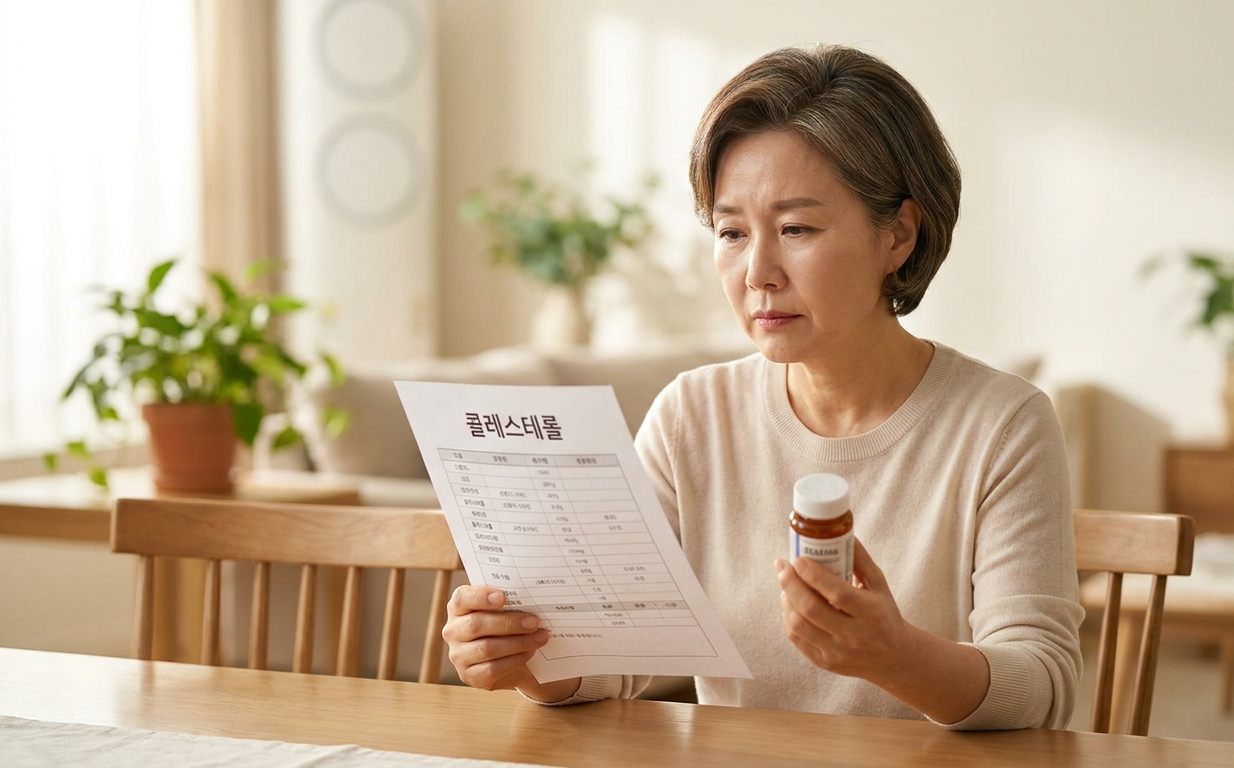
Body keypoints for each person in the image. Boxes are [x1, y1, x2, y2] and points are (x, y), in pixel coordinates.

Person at [442, 44, 1083, 730]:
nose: (758, 272)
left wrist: (897, 657)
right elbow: (616, 656)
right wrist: (527, 657)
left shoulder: (1002, 424)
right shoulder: (693, 415)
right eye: (731, 232)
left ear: (897, 234)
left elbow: (1042, 684)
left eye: (796, 228)